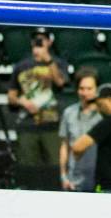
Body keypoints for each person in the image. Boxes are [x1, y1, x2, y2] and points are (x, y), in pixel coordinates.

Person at [6, 29, 69, 167]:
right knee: (28, 167)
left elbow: (60, 82)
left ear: (50, 42)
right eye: (37, 40)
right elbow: (11, 96)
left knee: (55, 166)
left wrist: (48, 60)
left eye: (43, 40)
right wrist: (21, 100)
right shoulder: (21, 65)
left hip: (52, 124)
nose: (40, 42)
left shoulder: (58, 63)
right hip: (27, 124)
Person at [58, 68, 102, 191]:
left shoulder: (104, 115)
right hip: (74, 180)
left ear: (97, 89)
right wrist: (63, 175)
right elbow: (65, 145)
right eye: (82, 88)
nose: (85, 93)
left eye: (89, 89)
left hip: (99, 179)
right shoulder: (68, 113)